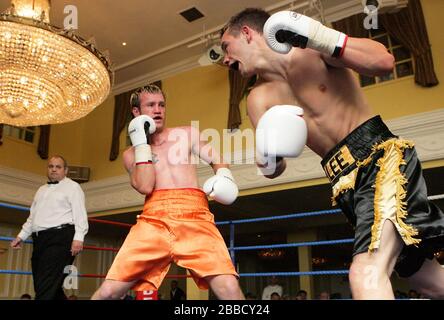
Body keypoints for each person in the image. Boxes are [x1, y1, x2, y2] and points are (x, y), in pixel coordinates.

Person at [220, 8, 444, 299]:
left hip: (380, 158)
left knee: (366, 271)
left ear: (247, 33)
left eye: (226, 47)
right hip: (344, 184)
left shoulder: (309, 51)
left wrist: (322, 37)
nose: (225, 59)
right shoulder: (257, 98)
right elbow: (274, 169)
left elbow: (383, 61)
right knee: (429, 281)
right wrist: (267, 157)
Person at [92, 84, 244, 300]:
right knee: (108, 292)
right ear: (136, 112)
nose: (158, 110)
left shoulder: (187, 134)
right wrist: (141, 142)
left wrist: (224, 175)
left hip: (195, 217)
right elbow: (145, 186)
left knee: (229, 288)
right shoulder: (130, 154)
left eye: (162, 105)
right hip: (152, 221)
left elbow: (217, 159)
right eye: (151, 105)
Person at [10, 155, 89, 300]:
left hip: (60, 238)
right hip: (40, 240)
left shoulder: (73, 187)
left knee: (46, 285)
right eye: (51, 166)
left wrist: (78, 238)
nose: (53, 170)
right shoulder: (41, 190)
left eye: (58, 167)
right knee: (45, 285)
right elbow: (33, 217)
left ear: (65, 170)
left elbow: (80, 215)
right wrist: (21, 236)